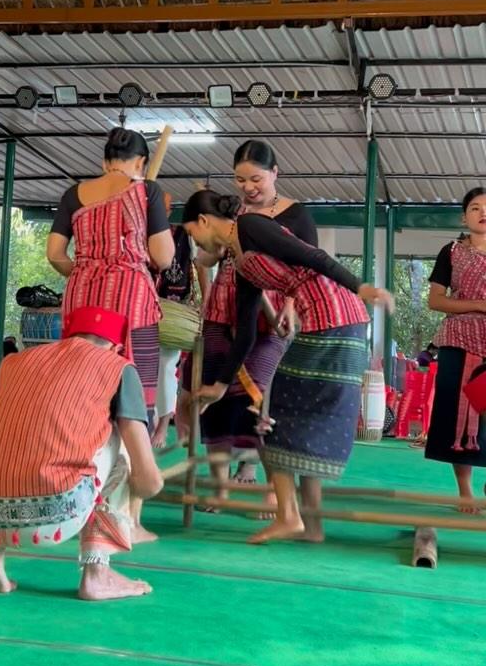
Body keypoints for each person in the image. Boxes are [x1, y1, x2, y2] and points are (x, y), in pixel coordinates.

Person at [181, 190, 393, 544]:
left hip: (333, 319)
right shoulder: (240, 260)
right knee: (299, 419)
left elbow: (314, 256)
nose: (195, 242)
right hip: (334, 322)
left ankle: (289, 516)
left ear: (203, 222)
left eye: (191, 233)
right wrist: (219, 385)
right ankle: (312, 526)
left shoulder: (249, 226)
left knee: (271, 416)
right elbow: (246, 333)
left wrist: (363, 287)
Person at [0, 306, 164, 601]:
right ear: (117, 347)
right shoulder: (118, 367)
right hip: (55, 508)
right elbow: (149, 483)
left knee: (2, 442)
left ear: (65, 336)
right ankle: (97, 574)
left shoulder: (15, 361)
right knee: (119, 441)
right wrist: (141, 483)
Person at [47, 127, 174, 541]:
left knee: (83, 397)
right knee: (132, 401)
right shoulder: (148, 193)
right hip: (130, 304)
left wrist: (84, 272)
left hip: (82, 300)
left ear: (104, 162)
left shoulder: (74, 194)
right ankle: (127, 520)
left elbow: (54, 254)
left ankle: (70, 500)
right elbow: (163, 255)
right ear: (140, 163)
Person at [187, 140, 319, 501]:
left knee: (256, 398)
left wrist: (290, 305)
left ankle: (268, 484)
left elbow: (307, 267)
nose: (248, 188)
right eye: (240, 180)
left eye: (256, 179)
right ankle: (219, 485)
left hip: (271, 313)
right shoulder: (231, 211)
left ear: (275, 173)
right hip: (222, 305)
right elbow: (209, 257)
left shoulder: (296, 215)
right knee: (213, 395)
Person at [425, 187, 486, 512]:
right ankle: (465, 491)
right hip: (458, 344)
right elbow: (435, 300)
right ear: (464, 216)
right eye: (475, 208)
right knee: (460, 417)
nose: (483, 213)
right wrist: (478, 304)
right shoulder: (450, 252)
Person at [152, 192, 207, 449]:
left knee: (165, 368)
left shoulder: (183, 234)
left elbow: (201, 265)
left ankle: (163, 425)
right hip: (142, 308)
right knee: (137, 367)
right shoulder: (138, 233)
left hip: (172, 311)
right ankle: (143, 423)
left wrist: (206, 300)